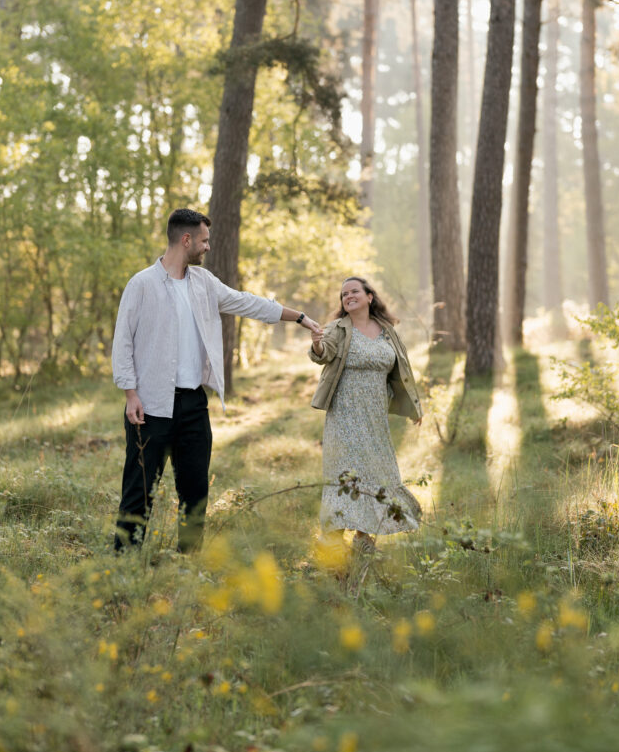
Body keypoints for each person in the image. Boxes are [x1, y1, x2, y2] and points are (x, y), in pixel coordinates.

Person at [111, 208, 323, 553]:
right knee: (138, 492)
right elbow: (123, 343)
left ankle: (188, 563)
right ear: (186, 239)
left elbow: (246, 303)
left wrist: (298, 317)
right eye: (204, 240)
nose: (208, 247)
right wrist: (130, 394)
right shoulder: (142, 285)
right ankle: (121, 569)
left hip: (193, 405)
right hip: (150, 406)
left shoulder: (204, 284)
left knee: (195, 494)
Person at [309, 276, 423, 552]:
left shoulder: (387, 330)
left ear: (369, 296)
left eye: (354, 291)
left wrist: (413, 408)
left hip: (375, 417)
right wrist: (317, 344)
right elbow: (323, 354)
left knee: (375, 472)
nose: (348, 296)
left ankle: (364, 539)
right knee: (344, 473)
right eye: (344, 294)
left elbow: (401, 372)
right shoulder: (338, 328)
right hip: (345, 415)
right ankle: (334, 543)